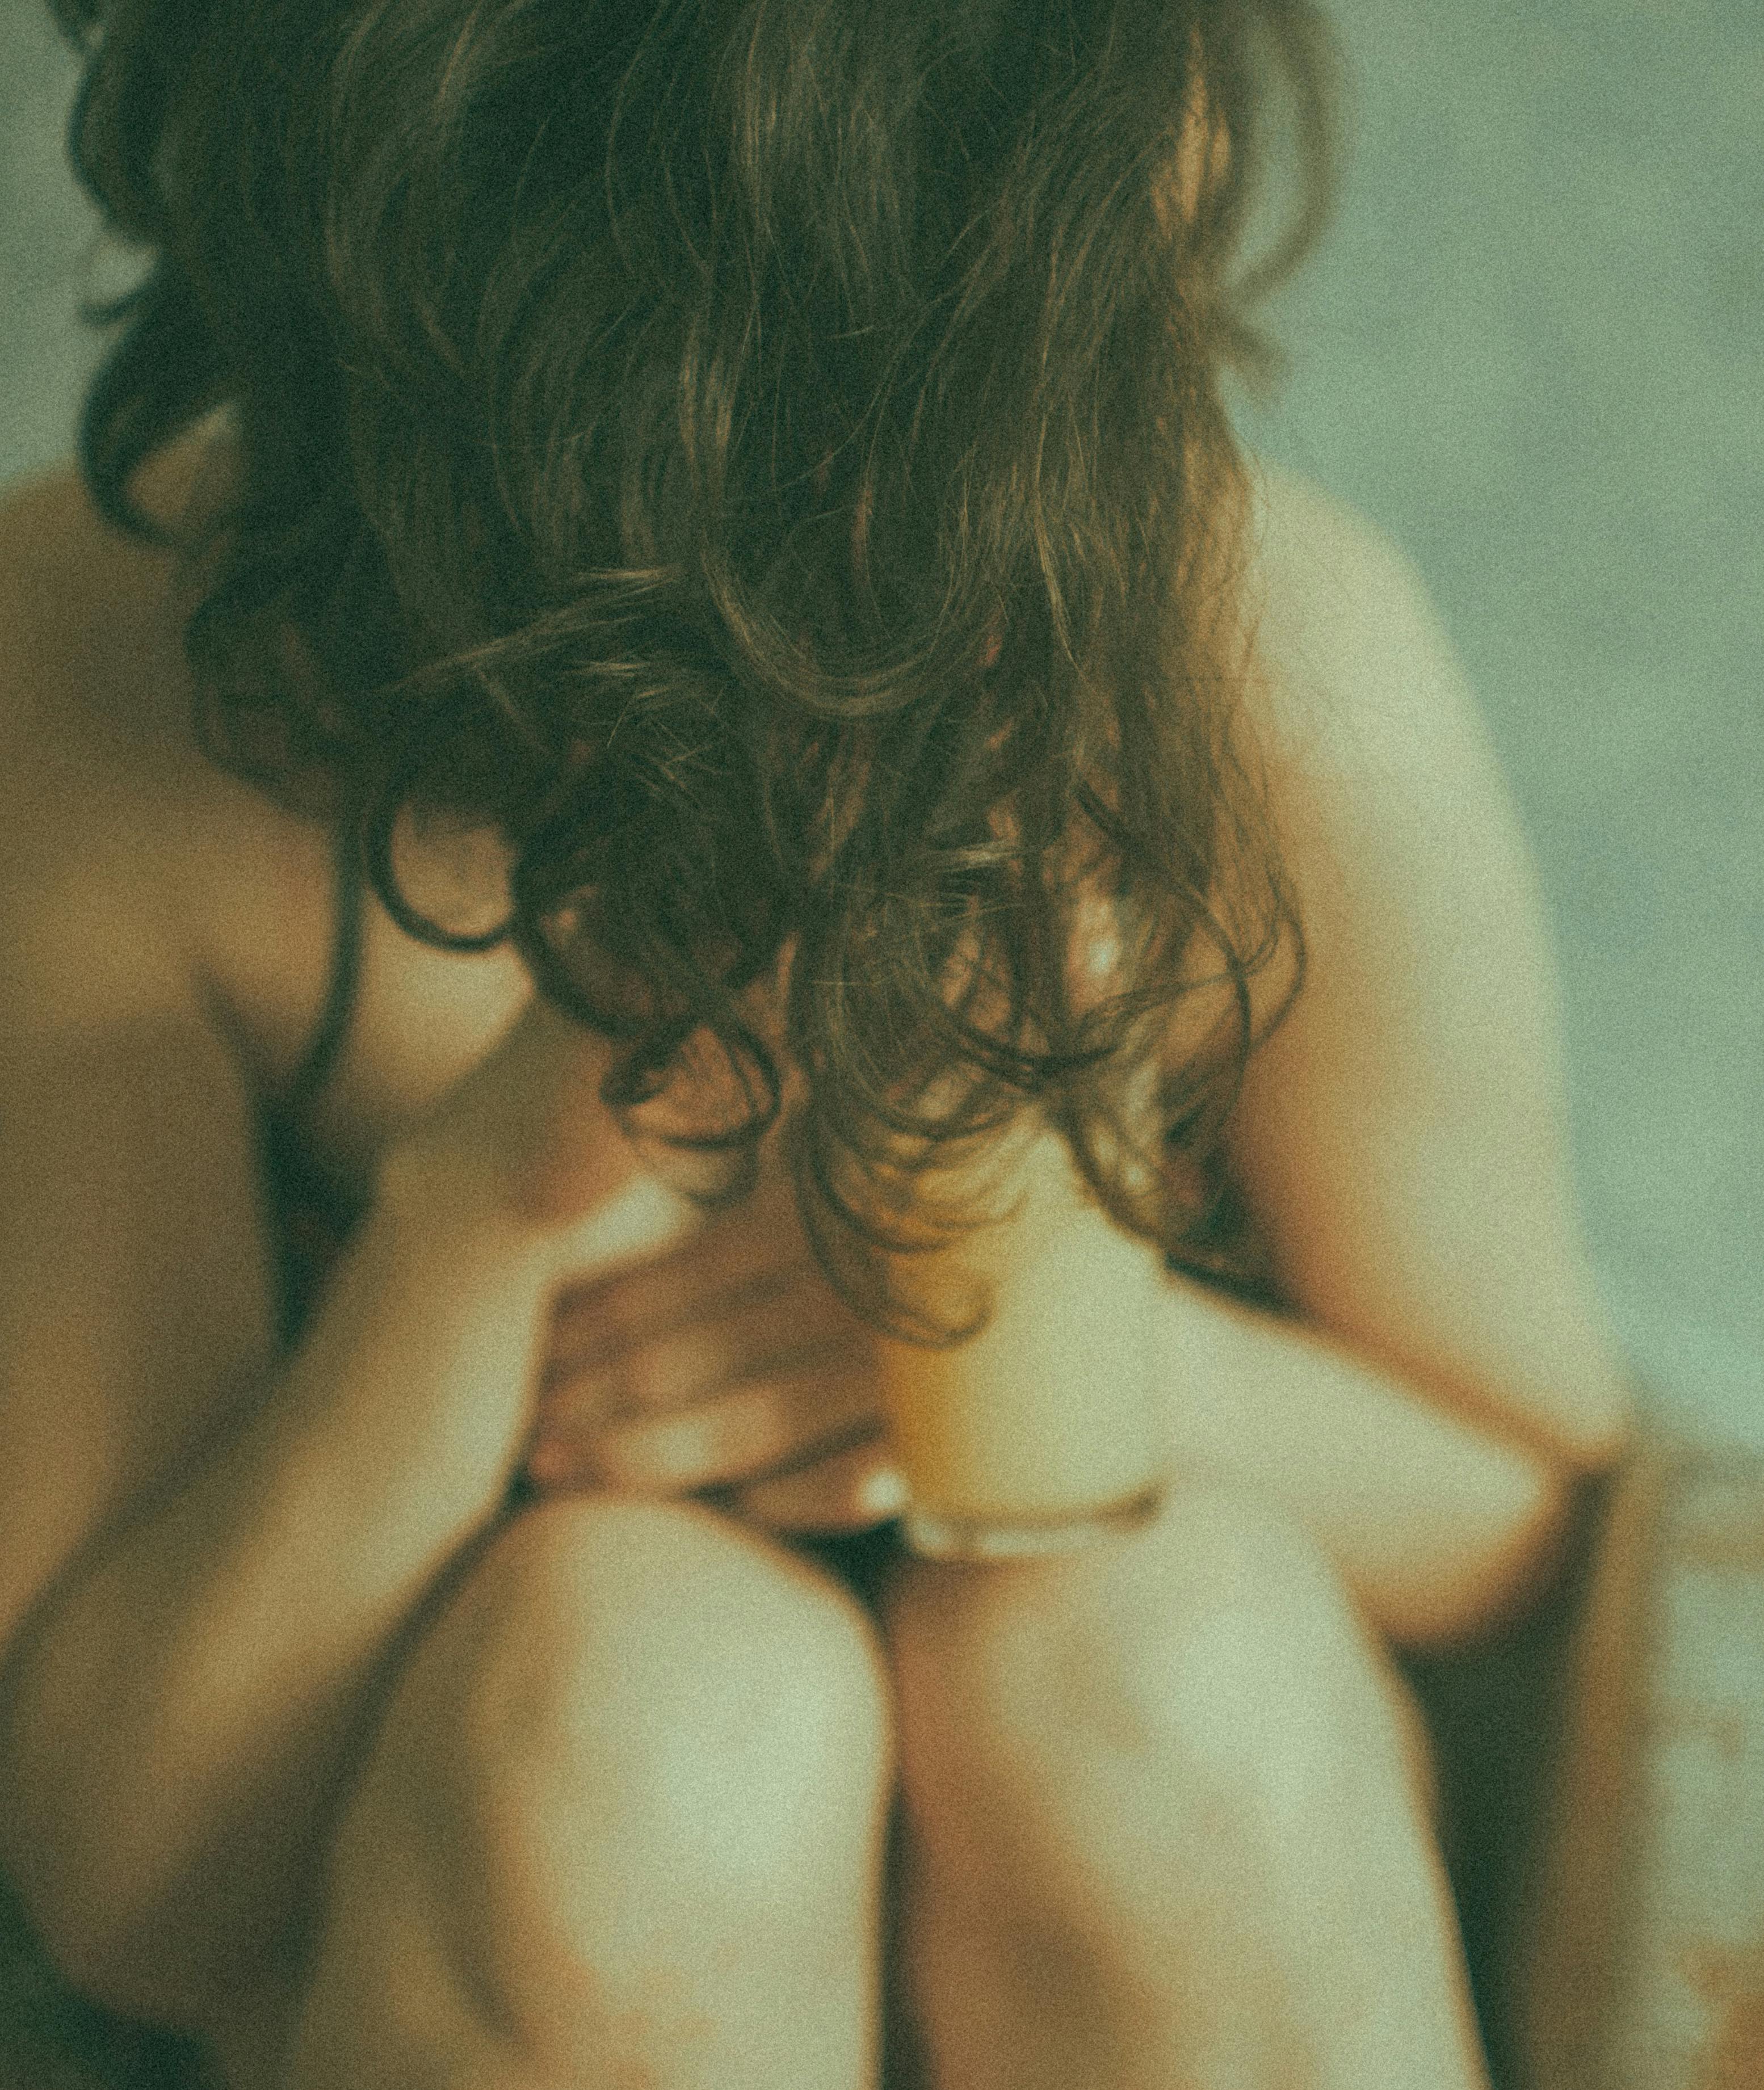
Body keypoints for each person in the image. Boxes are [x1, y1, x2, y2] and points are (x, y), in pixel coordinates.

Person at [0, 1, 1636, 2085]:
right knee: (638, 1706)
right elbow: (126, 1888)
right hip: (500, 1863)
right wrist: (471, 1228)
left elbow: (1552, 1528)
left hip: (1153, 1850)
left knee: (1151, 1656)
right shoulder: (106, 671)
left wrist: (1078, 1358)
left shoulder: (1264, 656)